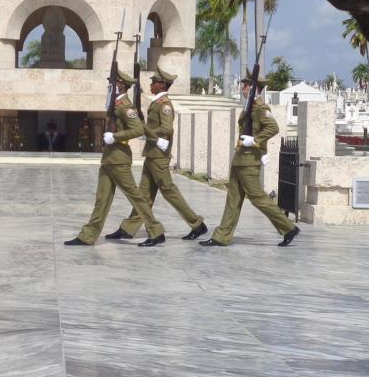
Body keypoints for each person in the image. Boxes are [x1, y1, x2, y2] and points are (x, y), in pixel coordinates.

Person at [65, 70, 166, 247]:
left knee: (135, 196)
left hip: (119, 159)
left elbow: (138, 129)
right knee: (102, 198)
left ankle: (156, 231)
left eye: (113, 83)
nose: (110, 86)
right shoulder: (115, 104)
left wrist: (115, 136)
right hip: (109, 158)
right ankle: (88, 235)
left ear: (121, 85)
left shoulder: (126, 107)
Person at [200, 71, 300, 248]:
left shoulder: (261, 108)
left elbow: (273, 128)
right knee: (232, 199)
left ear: (253, 88)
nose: (242, 88)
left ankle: (288, 228)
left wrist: (255, 140)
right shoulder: (249, 106)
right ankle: (221, 236)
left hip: (250, 162)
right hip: (240, 159)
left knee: (257, 198)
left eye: (245, 85)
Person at [107, 65, 207, 241]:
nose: (152, 84)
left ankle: (197, 224)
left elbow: (167, 128)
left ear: (162, 85)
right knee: (143, 194)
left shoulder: (164, 105)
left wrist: (145, 130)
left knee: (169, 191)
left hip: (159, 155)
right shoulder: (156, 102)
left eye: (154, 82)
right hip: (153, 154)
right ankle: (128, 228)